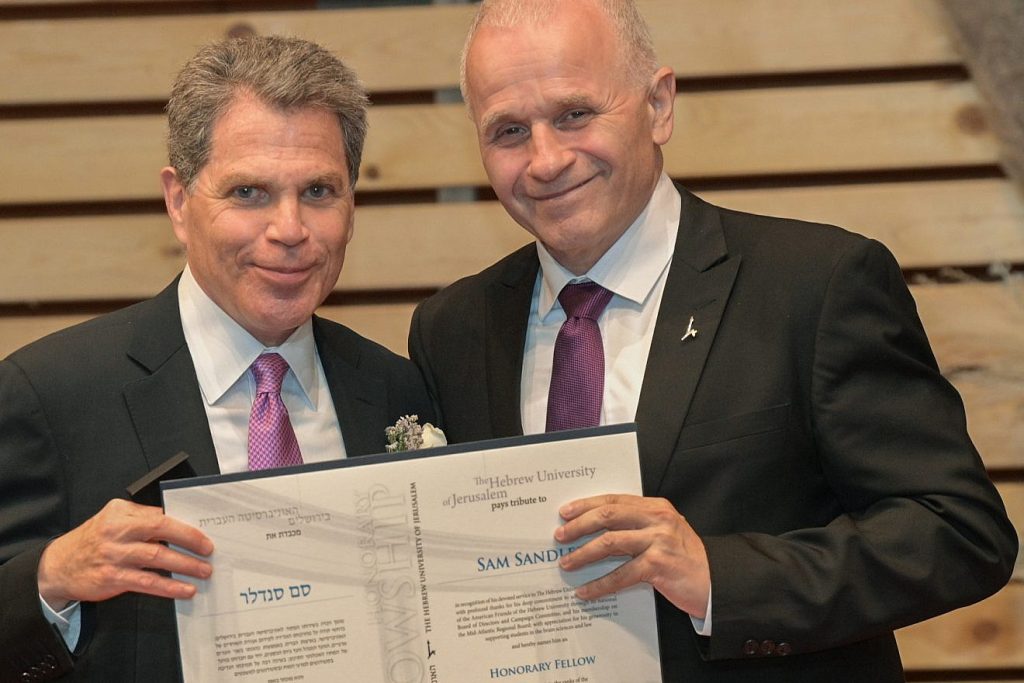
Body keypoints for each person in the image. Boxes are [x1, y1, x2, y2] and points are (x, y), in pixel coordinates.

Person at [407, 1, 1019, 680]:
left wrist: (720, 578)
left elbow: (960, 532)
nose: (546, 158)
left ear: (659, 105)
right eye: (509, 130)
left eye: (575, 114)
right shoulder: (451, 329)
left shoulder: (813, 286)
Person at [0, 35, 434, 682]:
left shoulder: (398, 389)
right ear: (179, 201)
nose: (289, 229)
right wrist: (53, 577)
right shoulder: (50, 393)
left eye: (318, 191)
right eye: (250, 193)